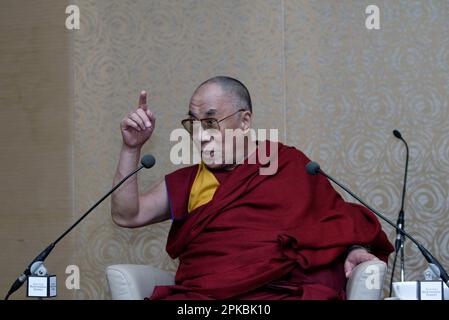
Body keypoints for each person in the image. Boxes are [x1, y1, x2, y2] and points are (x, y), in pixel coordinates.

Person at [111, 76, 394, 300]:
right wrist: (130, 147)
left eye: (210, 122)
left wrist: (352, 248)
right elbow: (127, 215)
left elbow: (332, 222)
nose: (199, 136)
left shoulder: (288, 165)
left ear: (244, 121)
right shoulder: (189, 180)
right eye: (193, 124)